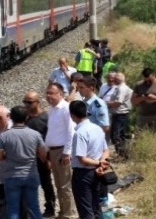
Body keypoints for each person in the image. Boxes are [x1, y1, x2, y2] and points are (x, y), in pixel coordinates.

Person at [0, 105, 46, 219]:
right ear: (26, 117)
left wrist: (7, 156)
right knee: (34, 208)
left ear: (11, 118)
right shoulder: (35, 134)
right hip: (31, 174)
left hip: (12, 176)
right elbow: (43, 154)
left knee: (13, 209)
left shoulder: (4, 136)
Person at [69, 100, 110, 219]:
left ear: (72, 115)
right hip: (97, 172)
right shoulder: (97, 128)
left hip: (83, 174)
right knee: (96, 206)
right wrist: (102, 163)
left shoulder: (80, 133)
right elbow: (106, 150)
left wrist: (100, 162)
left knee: (85, 209)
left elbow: (82, 159)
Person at [44, 82, 78, 219]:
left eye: (51, 93)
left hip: (62, 151)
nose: (48, 96)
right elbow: (52, 132)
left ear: (60, 94)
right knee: (58, 184)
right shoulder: (52, 110)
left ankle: (70, 214)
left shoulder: (66, 108)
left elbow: (71, 131)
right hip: (53, 151)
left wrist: (67, 152)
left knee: (66, 185)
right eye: (47, 93)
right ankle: (63, 212)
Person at [23, 89, 57, 218]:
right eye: (25, 102)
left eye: (29, 102)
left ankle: (50, 206)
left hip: (41, 156)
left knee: (45, 182)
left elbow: (49, 138)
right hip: (27, 157)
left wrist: (48, 158)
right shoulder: (24, 118)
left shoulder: (46, 118)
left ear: (37, 102)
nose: (26, 105)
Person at [131, 68, 156, 132]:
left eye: (150, 80)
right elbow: (133, 101)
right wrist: (143, 98)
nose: (148, 82)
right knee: (139, 136)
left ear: (154, 75)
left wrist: (155, 98)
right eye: (146, 80)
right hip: (143, 116)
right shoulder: (138, 85)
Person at [107, 72, 132, 159]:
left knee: (115, 135)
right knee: (121, 135)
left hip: (120, 114)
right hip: (119, 114)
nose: (113, 80)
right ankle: (123, 154)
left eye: (115, 78)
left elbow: (118, 103)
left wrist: (105, 103)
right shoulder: (120, 88)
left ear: (118, 79)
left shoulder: (122, 89)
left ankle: (122, 154)